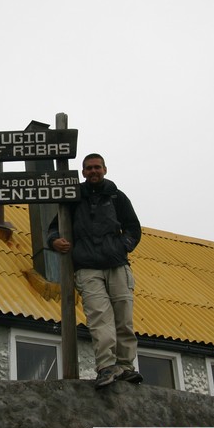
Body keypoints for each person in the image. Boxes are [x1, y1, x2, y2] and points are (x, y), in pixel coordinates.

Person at [47, 153, 143, 389]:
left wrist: (123, 246)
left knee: (124, 319)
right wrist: (53, 241)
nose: (93, 171)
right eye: (88, 168)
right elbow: (53, 228)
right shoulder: (73, 197)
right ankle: (106, 367)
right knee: (100, 318)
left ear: (105, 169)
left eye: (97, 167)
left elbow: (133, 228)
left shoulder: (117, 197)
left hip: (117, 265)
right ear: (83, 172)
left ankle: (126, 367)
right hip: (87, 268)